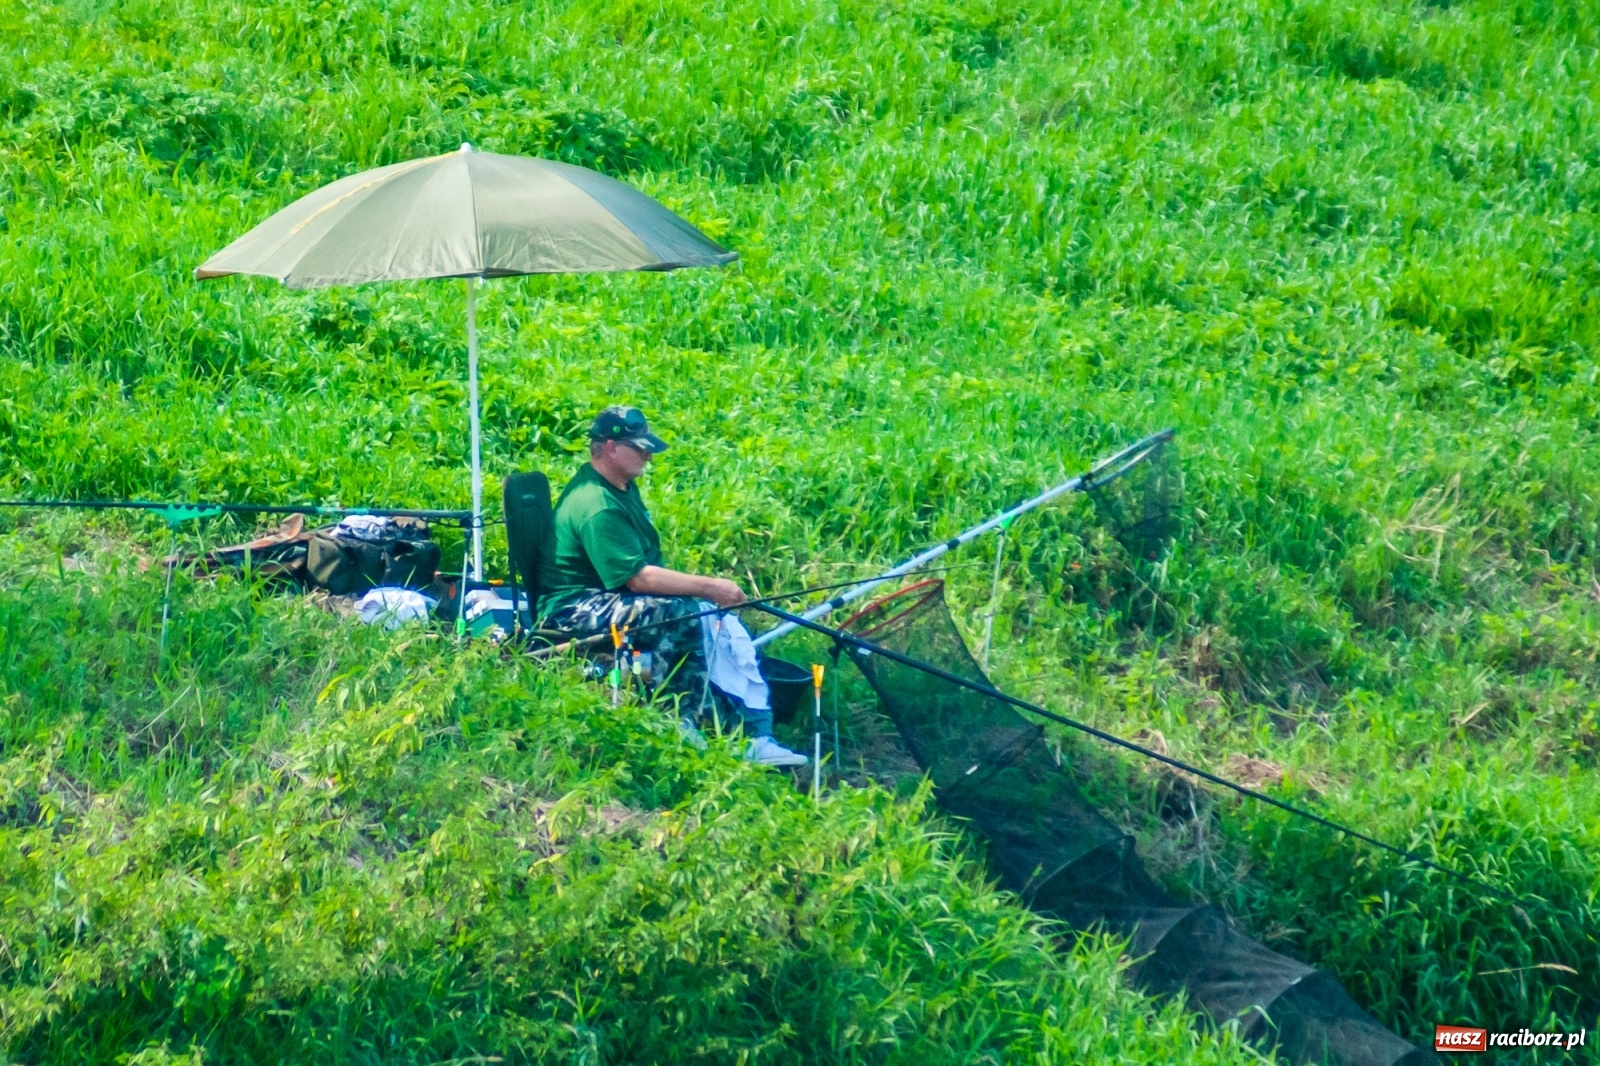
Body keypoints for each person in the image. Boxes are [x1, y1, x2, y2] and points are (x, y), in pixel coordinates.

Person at [539, 405, 808, 768]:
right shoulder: (596, 505)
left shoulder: (621, 485)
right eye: (640, 448)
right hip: (573, 606)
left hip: (607, 594)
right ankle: (679, 720)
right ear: (611, 448)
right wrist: (708, 587)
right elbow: (637, 578)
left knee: (710, 617)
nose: (648, 456)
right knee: (678, 613)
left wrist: (704, 595)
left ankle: (744, 730)